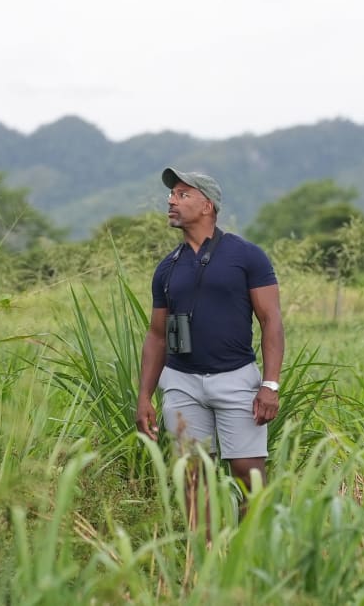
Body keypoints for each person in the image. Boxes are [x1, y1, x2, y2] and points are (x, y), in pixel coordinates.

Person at [135, 166, 285, 508]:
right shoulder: (167, 267)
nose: (171, 201)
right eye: (171, 195)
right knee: (192, 477)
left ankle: (248, 554)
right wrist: (144, 396)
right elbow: (157, 335)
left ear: (207, 206)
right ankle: (203, 557)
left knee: (250, 475)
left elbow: (271, 320)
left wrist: (270, 385)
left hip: (235, 377)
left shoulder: (246, 256)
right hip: (181, 382)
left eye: (182, 195)